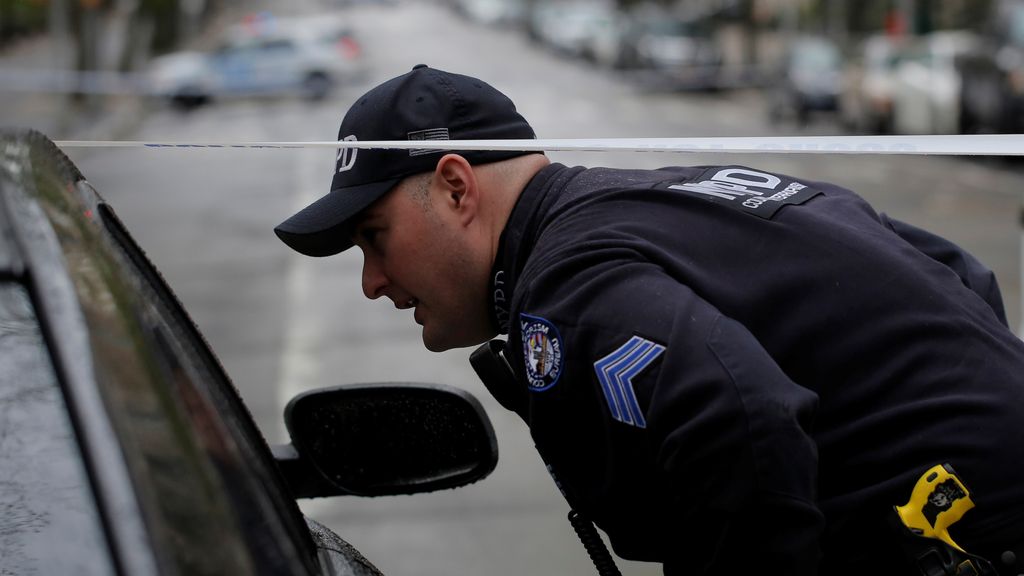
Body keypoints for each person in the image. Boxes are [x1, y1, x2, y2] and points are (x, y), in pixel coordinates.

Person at [274, 65, 1024, 576]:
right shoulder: (667, 196)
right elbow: (957, 275)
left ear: (456, 187)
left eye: (373, 238)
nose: (373, 281)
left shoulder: (566, 280)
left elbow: (735, 409)